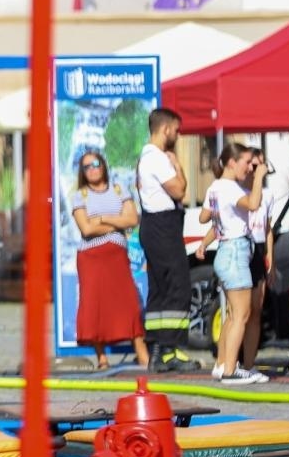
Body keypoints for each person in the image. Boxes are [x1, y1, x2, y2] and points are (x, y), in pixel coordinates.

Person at [69, 151, 149, 370]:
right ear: (82, 172)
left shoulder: (119, 189)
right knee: (94, 304)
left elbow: (132, 219)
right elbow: (86, 228)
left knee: (128, 304)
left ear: (103, 165)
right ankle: (101, 358)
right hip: (91, 258)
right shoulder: (80, 195)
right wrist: (118, 223)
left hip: (117, 257)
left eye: (95, 163)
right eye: (86, 166)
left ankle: (143, 354)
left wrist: (103, 219)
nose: (92, 168)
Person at [196, 143, 268, 385]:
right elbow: (254, 204)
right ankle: (230, 371)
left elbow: (204, 217)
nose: (250, 168)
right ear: (231, 162)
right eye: (246, 162)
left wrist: (205, 241)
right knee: (242, 314)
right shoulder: (228, 187)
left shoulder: (215, 187)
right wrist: (259, 177)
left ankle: (221, 365)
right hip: (235, 252)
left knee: (231, 314)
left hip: (225, 250)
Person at [135, 108, 195, 371]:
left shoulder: (146, 157)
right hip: (162, 224)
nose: (178, 136)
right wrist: (178, 167)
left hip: (154, 224)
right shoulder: (158, 158)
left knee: (159, 288)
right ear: (166, 129)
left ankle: (159, 348)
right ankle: (171, 348)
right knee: (177, 285)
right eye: (177, 130)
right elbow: (180, 191)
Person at [240, 148, 273, 376]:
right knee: (239, 312)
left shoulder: (268, 195)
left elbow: (268, 227)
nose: (257, 169)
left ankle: (249, 364)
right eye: (253, 165)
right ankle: (230, 362)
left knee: (255, 311)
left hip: (259, 247)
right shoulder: (238, 190)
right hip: (241, 246)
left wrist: (271, 256)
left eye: (261, 165)